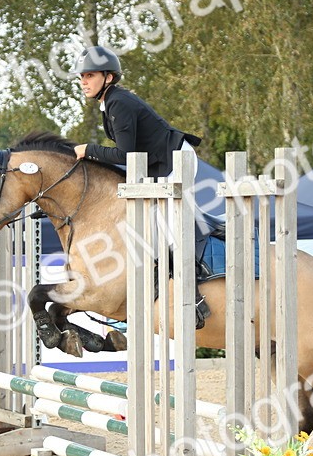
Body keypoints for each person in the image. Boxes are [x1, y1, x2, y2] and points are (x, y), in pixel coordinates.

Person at [72, 45, 212, 328]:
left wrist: (89, 150)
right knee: (147, 228)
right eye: (81, 76)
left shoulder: (118, 103)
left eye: (89, 75)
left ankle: (194, 297)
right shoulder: (110, 102)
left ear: (108, 77)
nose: (83, 81)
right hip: (158, 166)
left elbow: (127, 156)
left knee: (170, 226)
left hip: (176, 162)